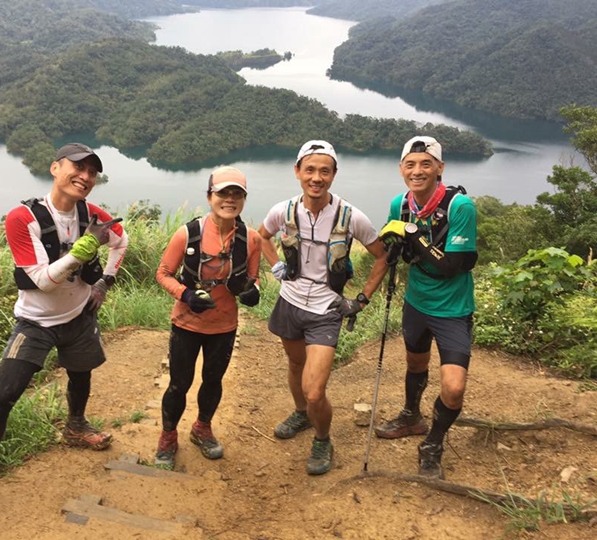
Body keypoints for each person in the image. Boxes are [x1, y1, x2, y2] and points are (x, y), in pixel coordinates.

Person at [0, 143, 128, 537]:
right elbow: (42, 280)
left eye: (93, 172)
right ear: (55, 168)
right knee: (3, 397)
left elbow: (121, 241)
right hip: (35, 322)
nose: (86, 177)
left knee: (81, 372)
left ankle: (75, 426)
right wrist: (83, 250)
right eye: (77, 168)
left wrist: (104, 283)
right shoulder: (22, 217)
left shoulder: (93, 215)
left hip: (79, 316)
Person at [258, 140, 388, 475]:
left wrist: (362, 299)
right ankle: (301, 413)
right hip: (289, 301)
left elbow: (382, 255)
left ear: (333, 175)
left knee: (315, 390)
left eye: (324, 171)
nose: (317, 177)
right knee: (295, 363)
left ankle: (322, 436)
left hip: (326, 309)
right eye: (310, 169)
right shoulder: (283, 211)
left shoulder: (350, 216)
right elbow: (260, 237)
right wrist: (275, 267)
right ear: (297, 171)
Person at [377, 135, 477, 479]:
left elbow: (452, 265)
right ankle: (411, 415)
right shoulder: (399, 205)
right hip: (416, 302)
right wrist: (395, 248)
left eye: (426, 163)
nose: (417, 171)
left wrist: (413, 236)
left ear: (440, 168)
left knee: (454, 387)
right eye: (410, 164)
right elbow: (405, 253)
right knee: (415, 362)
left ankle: (433, 442)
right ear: (402, 169)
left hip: (453, 308)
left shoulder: (460, 206)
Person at [153, 166, 261, 470]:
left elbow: (253, 278)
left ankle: (202, 427)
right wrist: (185, 295)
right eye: (223, 193)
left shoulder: (251, 240)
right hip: (187, 323)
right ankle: (168, 436)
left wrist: (252, 292)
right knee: (179, 383)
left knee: (213, 380)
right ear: (210, 196)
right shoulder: (188, 234)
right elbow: (163, 274)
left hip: (224, 325)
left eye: (236, 194)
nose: (229, 199)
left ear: (243, 199)